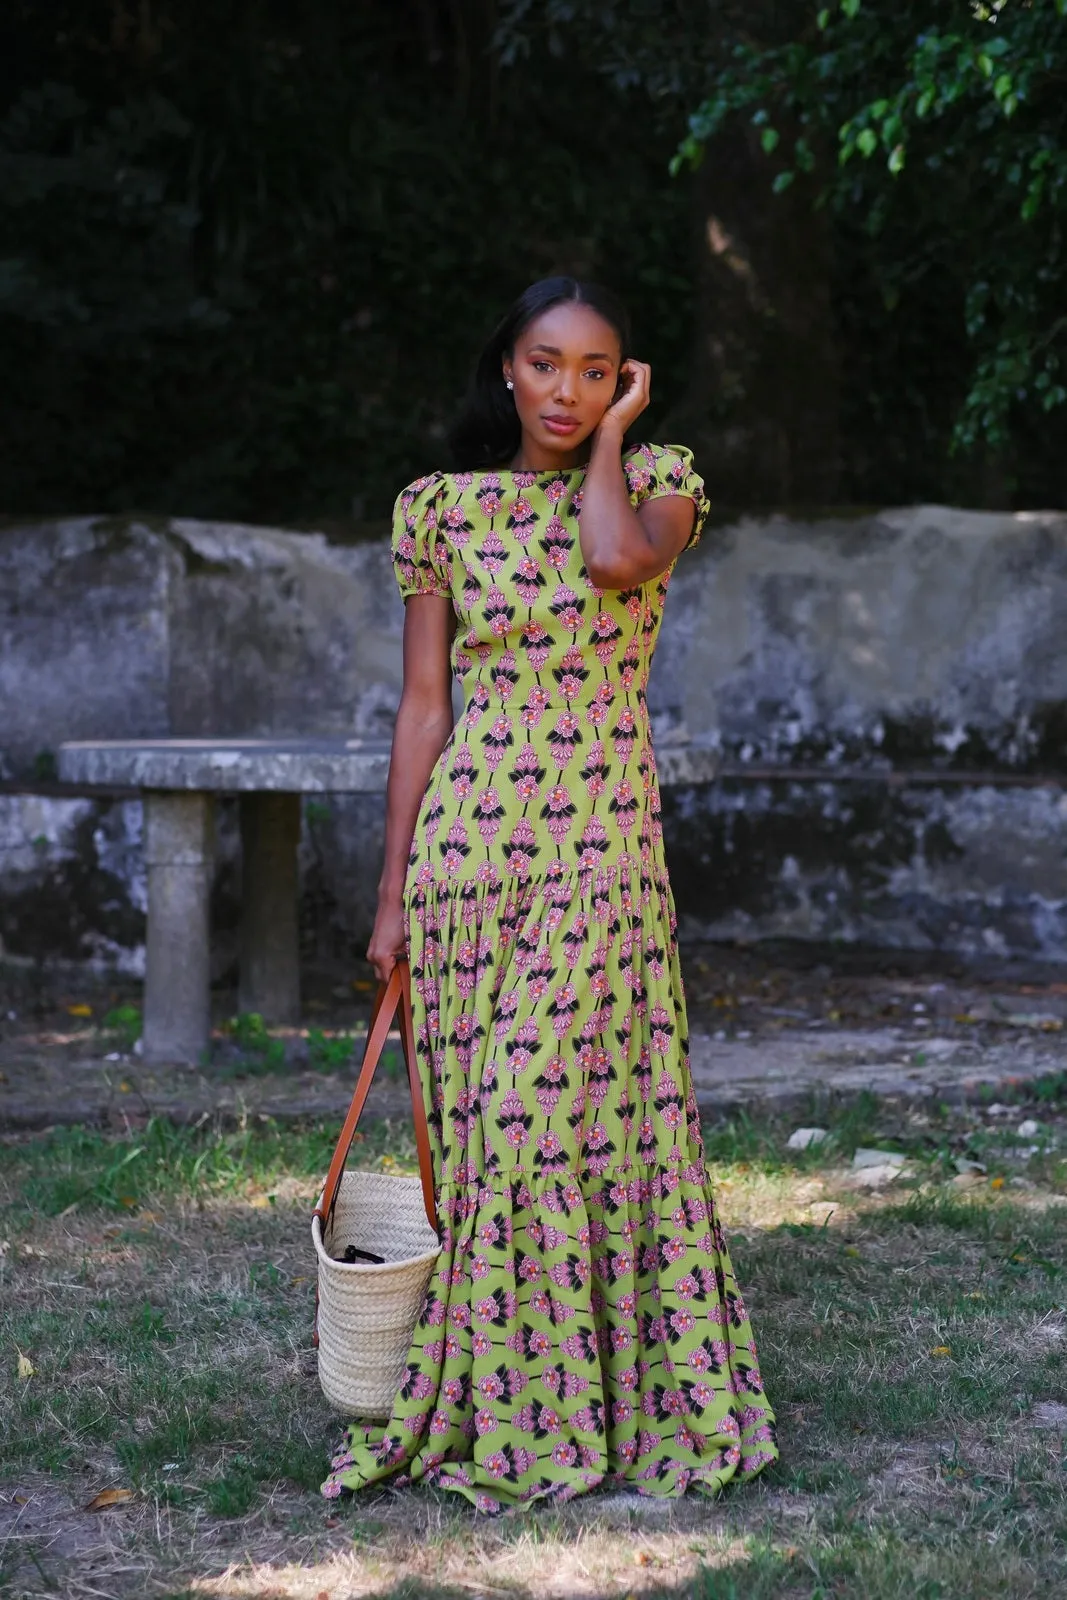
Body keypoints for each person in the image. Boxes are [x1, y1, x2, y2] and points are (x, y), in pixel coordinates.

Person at [321, 276, 778, 1513]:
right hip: (472, 845)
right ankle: (508, 1406)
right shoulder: (437, 509)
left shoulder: (659, 479)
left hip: (602, 842)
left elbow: (614, 559)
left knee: (549, 1113)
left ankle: (593, 1407)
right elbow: (424, 706)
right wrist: (391, 894)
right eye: (545, 364)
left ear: (623, 380)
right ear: (506, 371)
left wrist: (622, 439)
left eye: (597, 370)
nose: (568, 391)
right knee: (484, 1136)